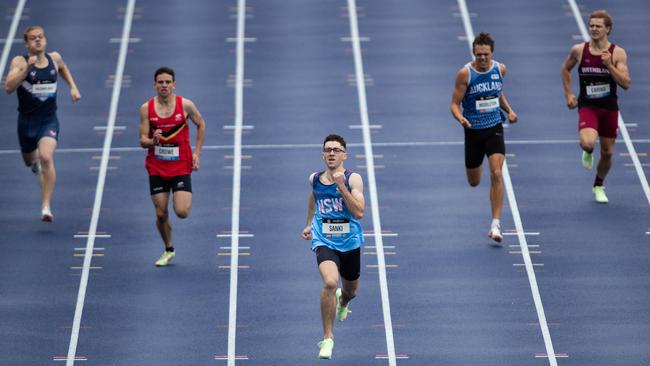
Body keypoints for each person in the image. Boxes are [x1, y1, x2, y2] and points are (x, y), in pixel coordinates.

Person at [4, 25, 81, 222]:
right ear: (27, 43)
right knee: (30, 160)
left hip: (48, 121)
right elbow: (8, 88)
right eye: (33, 38)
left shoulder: (54, 58)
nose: (38, 40)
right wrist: (26, 69)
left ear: (45, 40)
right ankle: (34, 162)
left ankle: (46, 206)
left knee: (46, 157)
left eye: (41, 37)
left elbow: (63, 68)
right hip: (26, 123)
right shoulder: (19, 61)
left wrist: (73, 87)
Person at [450, 32, 518, 244]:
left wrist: (509, 110)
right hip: (473, 131)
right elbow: (454, 103)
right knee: (474, 180)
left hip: (494, 127)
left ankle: (495, 223)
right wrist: (461, 118)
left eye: (485, 54)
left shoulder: (500, 69)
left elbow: (498, 93)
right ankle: (476, 169)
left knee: (497, 172)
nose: (482, 58)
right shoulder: (465, 74)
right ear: (473, 53)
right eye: (478, 54)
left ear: (492, 53)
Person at [301, 134, 365, 359]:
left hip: (349, 242)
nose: (331, 153)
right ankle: (327, 338)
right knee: (329, 282)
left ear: (344, 155)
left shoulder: (353, 179)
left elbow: (358, 212)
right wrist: (309, 224)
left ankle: (343, 301)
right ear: (322, 154)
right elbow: (314, 197)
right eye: (328, 150)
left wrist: (341, 187)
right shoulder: (315, 178)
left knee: (351, 292)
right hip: (324, 239)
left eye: (336, 150)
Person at [562, 10, 631, 204]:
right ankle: (588, 150)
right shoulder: (579, 50)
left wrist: (609, 66)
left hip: (609, 107)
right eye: (591, 25)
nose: (593, 29)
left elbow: (626, 83)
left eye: (598, 26)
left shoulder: (617, 53)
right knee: (588, 143)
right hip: (588, 106)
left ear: (607, 29)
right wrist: (568, 93)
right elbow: (565, 69)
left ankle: (599, 185)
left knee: (608, 153)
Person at [139, 67, 206, 266]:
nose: (164, 86)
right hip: (157, 166)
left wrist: (197, 153)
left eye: (168, 82)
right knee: (160, 213)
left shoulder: (185, 105)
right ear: (155, 85)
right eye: (160, 82)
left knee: (182, 212)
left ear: (174, 84)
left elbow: (201, 124)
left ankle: (182, 193)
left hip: (180, 165)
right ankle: (168, 249)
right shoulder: (146, 109)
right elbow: (142, 139)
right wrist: (152, 141)